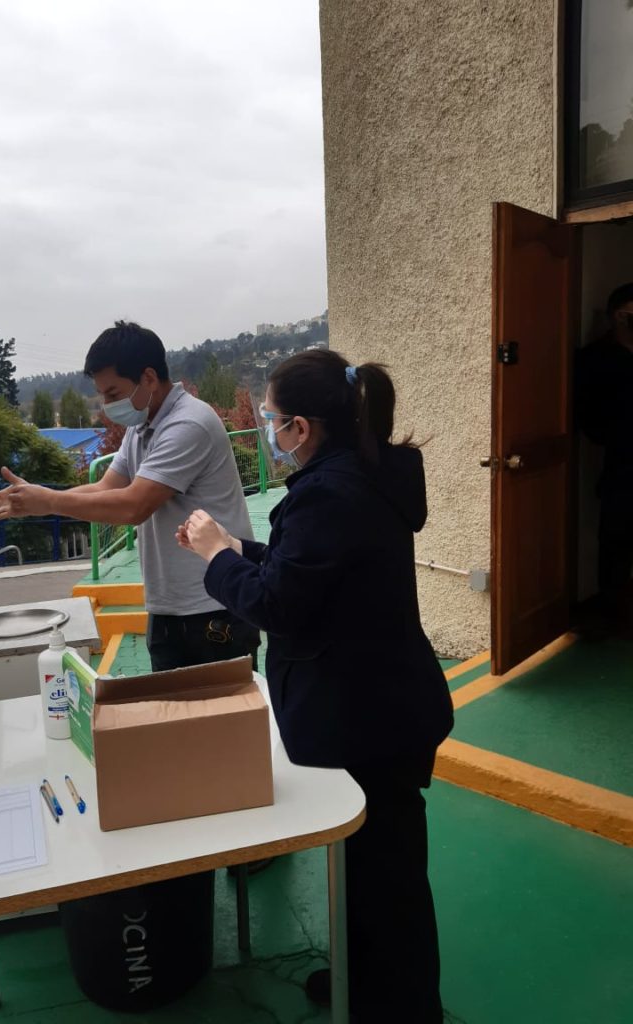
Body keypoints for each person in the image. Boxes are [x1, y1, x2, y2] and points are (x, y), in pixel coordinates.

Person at [177, 349, 454, 1023]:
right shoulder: (366, 474)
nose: (268, 429)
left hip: (367, 714)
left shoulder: (328, 494)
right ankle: (365, 978)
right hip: (383, 701)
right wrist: (239, 549)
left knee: (386, 873)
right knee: (368, 862)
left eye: (271, 417)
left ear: (301, 427)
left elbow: (279, 605)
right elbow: (310, 571)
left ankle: (404, 1006)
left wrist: (214, 555)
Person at [0, 320, 260, 670]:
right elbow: (105, 488)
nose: (107, 405)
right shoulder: (141, 426)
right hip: (169, 608)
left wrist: (47, 501)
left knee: (224, 707)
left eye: (113, 393)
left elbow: (133, 505)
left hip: (213, 610)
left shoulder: (188, 423)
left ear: (149, 378)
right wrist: (36, 499)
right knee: (167, 705)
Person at [576, 283, 633, 631]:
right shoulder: (595, 358)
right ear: (616, 316)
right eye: (629, 315)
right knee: (616, 541)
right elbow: (589, 419)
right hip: (622, 465)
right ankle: (614, 615)